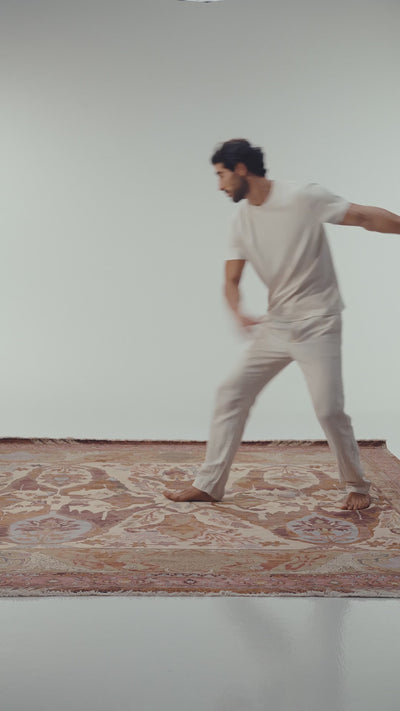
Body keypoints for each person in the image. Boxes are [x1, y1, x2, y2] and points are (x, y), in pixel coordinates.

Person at [164, 138, 400, 510]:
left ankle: (357, 485)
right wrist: (238, 310)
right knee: (231, 394)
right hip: (275, 326)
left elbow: (363, 217)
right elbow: (231, 280)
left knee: (328, 409)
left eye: (222, 174)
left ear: (241, 169)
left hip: (318, 323)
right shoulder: (241, 221)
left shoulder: (302, 196)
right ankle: (209, 485)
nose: (219, 185)